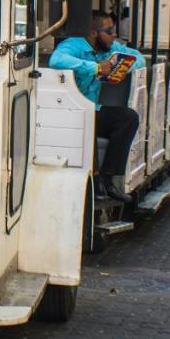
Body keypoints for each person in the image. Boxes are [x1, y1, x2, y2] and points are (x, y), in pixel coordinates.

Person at [48, 10, 146, 202]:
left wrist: (122, 66)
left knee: (128, 118)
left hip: (93, 109)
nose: (114, 35)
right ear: (93, 33)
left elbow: (139, 58)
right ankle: (93, 183)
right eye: (109, 31)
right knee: (87, 125)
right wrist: (95, 67)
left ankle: (108, 179)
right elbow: (56, 60)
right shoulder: (74, 45)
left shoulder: (110, 49)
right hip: (70, 110)